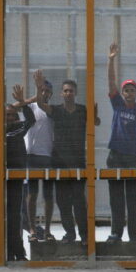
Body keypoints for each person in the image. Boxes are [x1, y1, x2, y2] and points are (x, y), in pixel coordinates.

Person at [35, 70, 100, 245]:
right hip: (59, 162)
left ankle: (85, 235)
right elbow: (41, 105)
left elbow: (96, 122)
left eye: (71, 90)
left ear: (75, 93)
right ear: (61, 93)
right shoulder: (56, 110)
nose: (68, 93)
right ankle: (70, 234)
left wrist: (94, 116)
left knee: (79, 202)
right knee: (63, 202)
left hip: (78, 161)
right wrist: (38, 87)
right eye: (65, 90)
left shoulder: (82, 110)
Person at [106, 43, 136, 244]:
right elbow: (111, 82)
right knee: (116, 198)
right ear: (122, 93)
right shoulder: (117, 104)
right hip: (115, 155)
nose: (129, 92)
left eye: (132, 90)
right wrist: (111, 59)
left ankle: (134, 235)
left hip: (133, 157)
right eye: (126, 90)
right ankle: (116, 233)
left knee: (134, 198)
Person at [16, 71, 55, 242]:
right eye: (42, 90)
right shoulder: (30, 108)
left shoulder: (52, 110)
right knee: (31, 194)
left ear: (51, 94)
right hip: (30, 156)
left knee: (48, 195)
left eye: (47, 91)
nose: (44, 93)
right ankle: (32, 229)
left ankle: (47, 230)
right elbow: (14, 106)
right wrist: (31, 98)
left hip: (47, 156)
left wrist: (39, 94)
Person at [6, 85, 35, 260]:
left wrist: (23, 103)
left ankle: (18, 252)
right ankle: (7, 251)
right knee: (2, 215)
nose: (9, 117)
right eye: (6, 114)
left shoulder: (17, 129)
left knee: (16, 216)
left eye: (12, 115)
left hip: (16, 178)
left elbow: (31, 120)